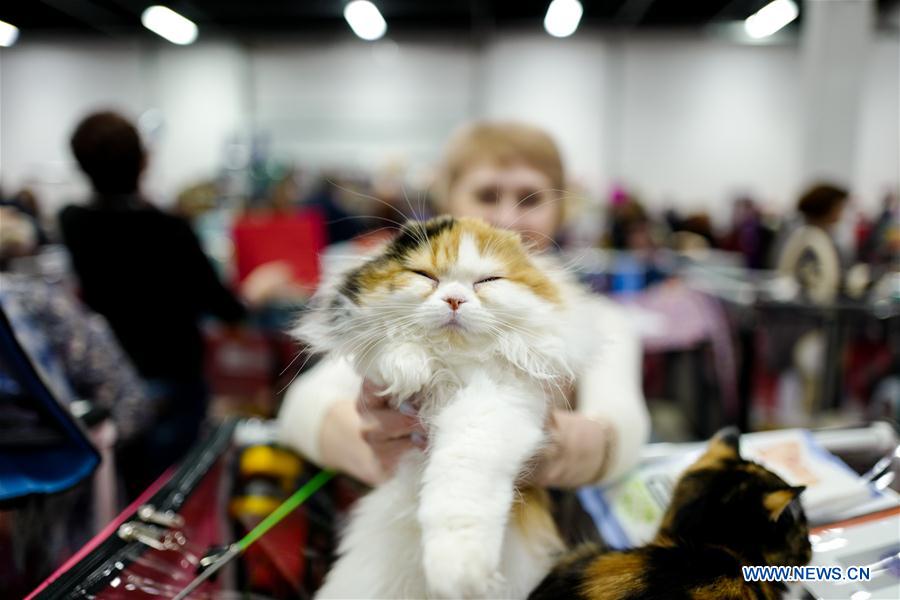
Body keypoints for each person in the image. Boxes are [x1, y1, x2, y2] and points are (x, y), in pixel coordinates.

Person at [278, 122, 650, 490]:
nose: (507, 220)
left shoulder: (600, 318)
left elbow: (624, 429)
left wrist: (545, 446)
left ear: (559, 211)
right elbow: (301, 408)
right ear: (448, 202)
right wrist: (380, 446)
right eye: (487, 196)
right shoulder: (412, 304)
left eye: (531, 199)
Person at [59, 111, 247, 494]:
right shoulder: (170, 229)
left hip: (110, 380)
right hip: (172, 375)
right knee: (174, 493)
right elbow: (223, 306)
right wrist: (255, 294)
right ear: (144, 161)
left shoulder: (73, 223)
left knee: (123, 492)